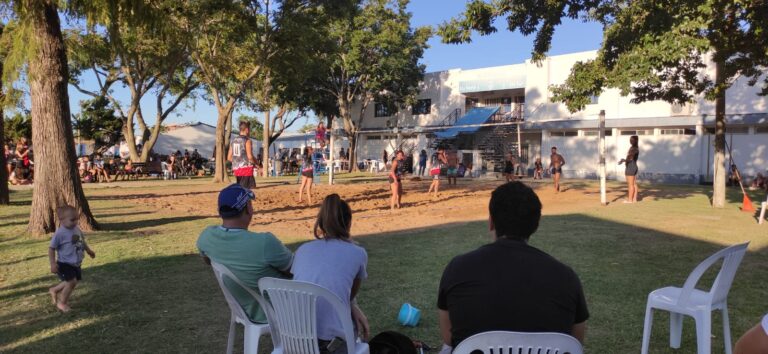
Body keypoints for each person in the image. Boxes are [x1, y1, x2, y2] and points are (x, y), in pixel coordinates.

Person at [437, 182, 589, 351]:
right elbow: (575, 343)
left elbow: (449, 338)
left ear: (491, 222)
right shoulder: (567, 278)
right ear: (536, 225)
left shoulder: (457, 269)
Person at [197, 184, 293, 324]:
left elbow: (207, 261)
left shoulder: (206, 237)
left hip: (243, 309)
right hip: (280, 310)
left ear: (220, 211)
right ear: (248, 208)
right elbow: (295, 270)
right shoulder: (264, 242)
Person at [291, 194, 371, 351]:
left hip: (295, 337)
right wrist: (354, 307)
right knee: (352, 325)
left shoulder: (302, 250)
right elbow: (349, 297)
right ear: (349, 223)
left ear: (321, 222)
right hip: (332, 343)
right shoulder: (358, 253)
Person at [48, 205, 96, 312]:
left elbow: (81, 242)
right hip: (64, 263)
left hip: (76, 263)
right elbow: (51, 249)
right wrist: (52, 263)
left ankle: (54, 290)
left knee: (72, 281)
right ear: (61, 220)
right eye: (72, 220)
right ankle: (62, 303)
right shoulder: (59, 234)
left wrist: (88, 251)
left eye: (76, 219)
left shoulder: (76, 229)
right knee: (71, 282)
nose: (75, 222)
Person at [228, 121, 257, 189]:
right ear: (247, 130)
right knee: (250, 189)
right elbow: (250, 156)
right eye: (249, 130)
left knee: (240, 188)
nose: (249, 132)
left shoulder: (233, 141)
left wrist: (237, 161)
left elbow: (229, 157)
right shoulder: (247, 140)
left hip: (236, 170)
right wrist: (257, 164)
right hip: (246, 169)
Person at [619, 135, 639, 203]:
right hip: (633, 166)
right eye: (630, 139)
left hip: (631, 167)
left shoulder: (634, 148)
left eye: (632, 140)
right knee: (634, 184)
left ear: (635, 141)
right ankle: (634, 199)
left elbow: (630, 159)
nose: (630, 141)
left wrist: (623, 160)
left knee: (630, 184)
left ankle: (630, 200)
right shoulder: (634, 148)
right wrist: (624, 160)